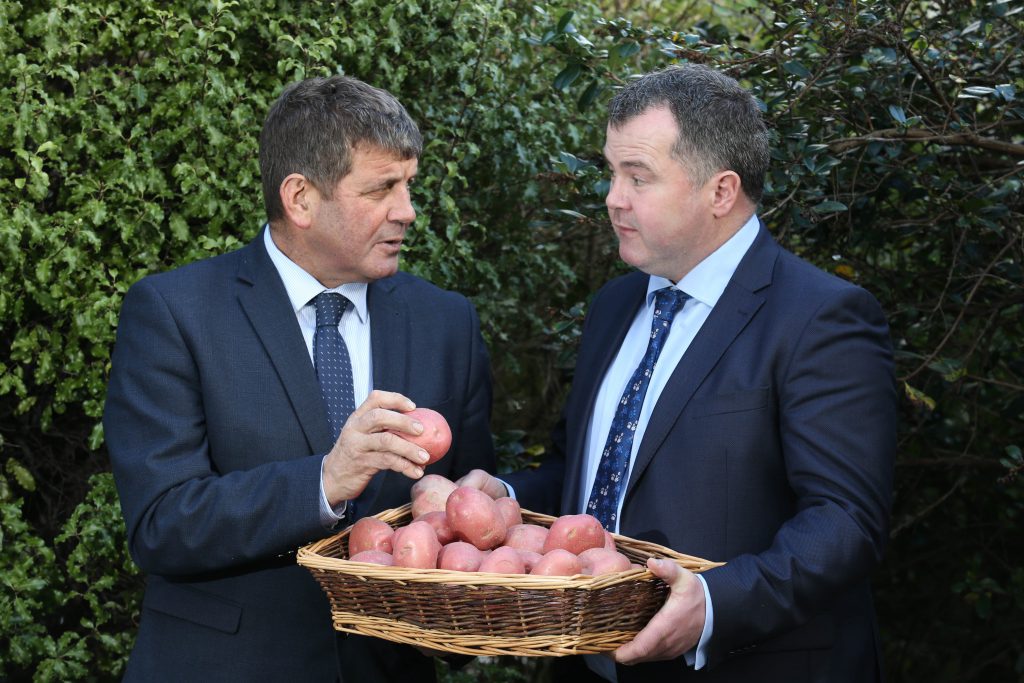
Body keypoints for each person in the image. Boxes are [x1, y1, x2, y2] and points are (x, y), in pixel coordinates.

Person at [462, 63, 897, 682]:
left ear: (720, 191)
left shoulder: (821, 318)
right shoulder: (614, 306)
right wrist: (503, 500)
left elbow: (846, 521)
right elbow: (582, 478)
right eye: (612, 173)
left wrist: (716, 605)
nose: (613, 197)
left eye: (638, 177)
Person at [104, 75, 496, 682]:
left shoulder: (447, 322)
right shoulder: (176, 312)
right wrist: (325, 481)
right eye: (381, 189)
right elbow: (162, 524)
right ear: (300, 198)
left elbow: (459, 515)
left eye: (409, 185)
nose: (407, 211)